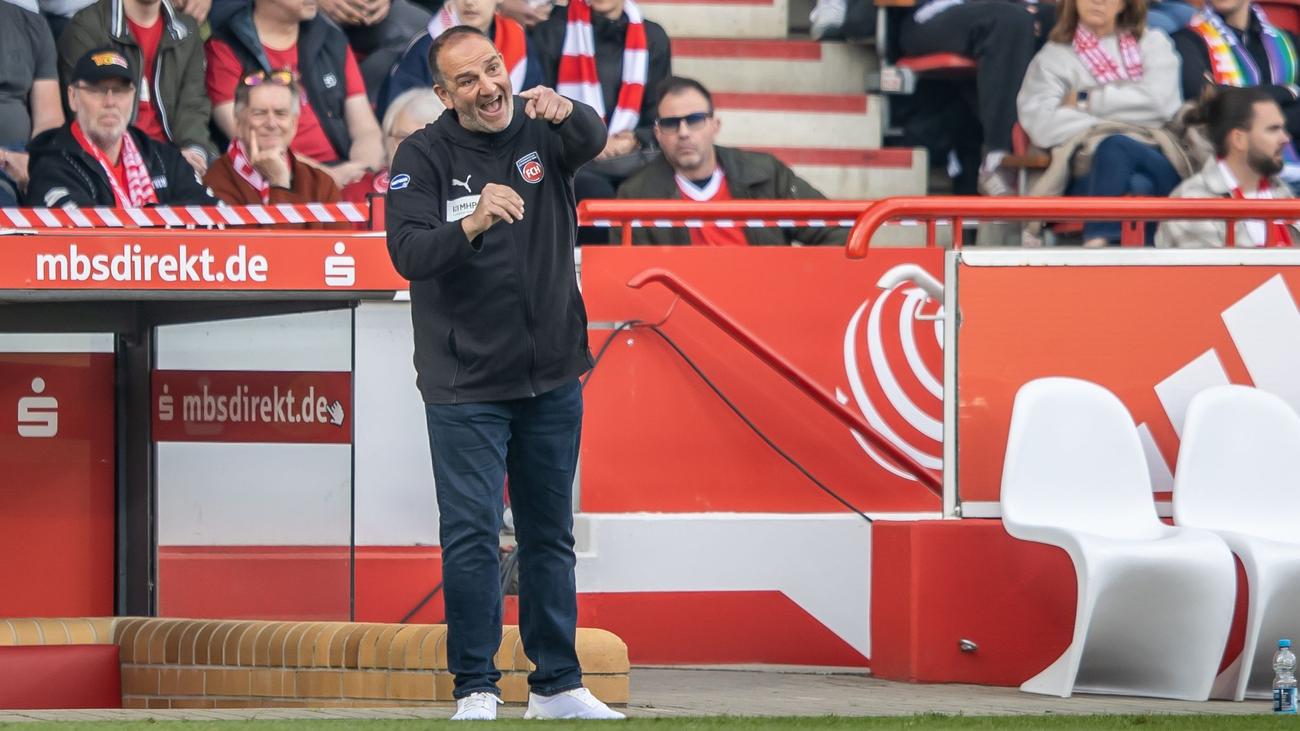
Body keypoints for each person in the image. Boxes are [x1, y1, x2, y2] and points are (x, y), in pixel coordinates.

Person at [385, 25, 623, 722]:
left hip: (552, 375)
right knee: (473, 537)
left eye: (492, 68)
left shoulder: (542, 129)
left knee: (550, 534)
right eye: (468, 80)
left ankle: (557, 685)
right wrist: (472, 223)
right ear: (444, 94)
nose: (488, 87)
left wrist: (569, 108)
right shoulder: (422, 154)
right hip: (465, 385)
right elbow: (407, 252)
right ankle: (476, 687)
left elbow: (593, 137)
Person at [1017, 0, 1191, 245]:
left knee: (1118, 147)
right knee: (1127, 165)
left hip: (1155, 153)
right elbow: (1042, 124)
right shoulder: (1052, 58)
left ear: (1125, 4)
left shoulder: (1154, 43)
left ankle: (1098, 242)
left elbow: (1162, 105)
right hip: (1089, 167)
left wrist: (1086, 100)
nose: (1098, 1)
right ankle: (1115, 246)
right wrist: (1119, 120)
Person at [617, 76, 848, 246]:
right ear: (657, 134)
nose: (684, 132)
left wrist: (796, 282)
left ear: (715, 125)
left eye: (695, 120)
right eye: (671, 123)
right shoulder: (636, 195)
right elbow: (631, 277)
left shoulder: (766, 173)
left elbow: (838, 231)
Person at [206, 0, 385, 192]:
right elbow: (246, 139)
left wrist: (362, 172)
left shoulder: (330, 37)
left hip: (344, 173)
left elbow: (366, 129)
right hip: (278, 180)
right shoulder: (225, 46)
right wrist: (327, 177)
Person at [530, 0, 671, 241]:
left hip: (630, 154)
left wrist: (634, 138)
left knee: (655, 186)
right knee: (596, 193)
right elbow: (538, 107)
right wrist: (589, 137)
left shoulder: (653, 36)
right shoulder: (553, 31)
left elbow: (658, 113)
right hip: (573, 154)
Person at [26, 48, 218, 207]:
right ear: (72, 97)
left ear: (133, 96)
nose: (110, 102)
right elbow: (84, 235)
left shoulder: (162, 158)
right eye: (97, 90)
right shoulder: (52, 166)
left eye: (120, 91)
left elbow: (208, 212)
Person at [895, 0, 1046, 195]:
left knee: (1055, 18)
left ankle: (1050, 149)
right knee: (1009, 19)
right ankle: (998, 159)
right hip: (934, 13)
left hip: (1005, 9)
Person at [58, 0, 214, 177]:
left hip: (175, 157)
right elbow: (86, 114)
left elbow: (193, 104)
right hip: (112, 159)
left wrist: (193, 151)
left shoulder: (186, 30)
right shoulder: (86, 28)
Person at [204, 69, 349, 229]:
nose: (272, 124)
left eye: (281, 113)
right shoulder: (216, 181)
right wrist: (279, 183)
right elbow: (272, 245)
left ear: (294, 124)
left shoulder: (322, 183)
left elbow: (341, 244)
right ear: (238, 122)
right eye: (259, 113)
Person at [1173, 0, 1300, 180]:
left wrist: (1229, 97)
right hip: (1229, 175)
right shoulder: (1187, 41)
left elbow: (1222, 99)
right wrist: (1288, 92)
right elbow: (1203, 100)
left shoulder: (1288, 42)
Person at [1157, 86, 1299, 246]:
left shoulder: (1280, 190)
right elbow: (1207, 263)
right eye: (1273, 129)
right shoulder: (1193, 202)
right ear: (1239, 140)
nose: (1285, 138)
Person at [376, 0, 541, 119]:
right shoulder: (425, 48)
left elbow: (533, 105)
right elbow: (401, 117)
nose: (469, 2)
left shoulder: (518, 39)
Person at [0, 0, 64, 206]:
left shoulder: (32, 25)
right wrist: (5, 158)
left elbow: (49, 120)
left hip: (23, 155)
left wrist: (37, 164)